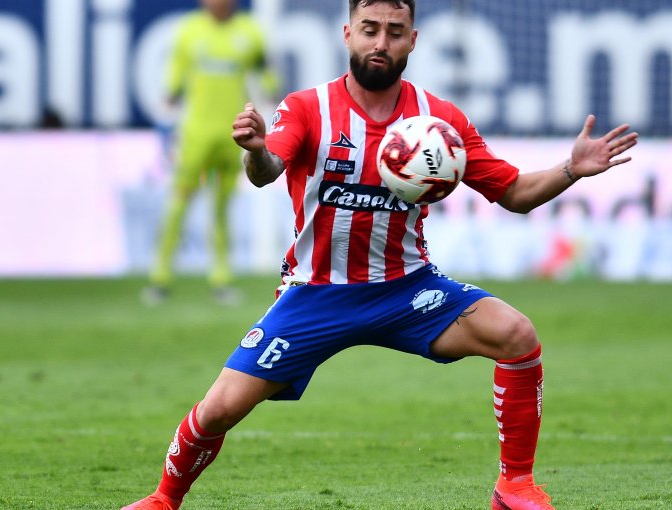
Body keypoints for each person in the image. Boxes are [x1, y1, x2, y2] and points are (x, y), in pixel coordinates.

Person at [122, 1, 637, 509]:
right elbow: (268, 169)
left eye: (395, 31)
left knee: (516, 334)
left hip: (407, 288)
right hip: (316, 294)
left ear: (413, 40)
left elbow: (514, 193)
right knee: (218, 410)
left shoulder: (440, 121)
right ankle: (163, 500)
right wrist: (256, 149)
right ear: (348, 34)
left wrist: (570, 169)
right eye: (370, 29)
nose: (381, 42)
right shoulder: (307, 108)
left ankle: (515, 487)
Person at [142, 0, 279, 306]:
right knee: (178, 203)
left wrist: (276, 94)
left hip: (234, 137)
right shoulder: (190, 31)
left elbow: (265, 72)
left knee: (221, 209)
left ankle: (221, 279)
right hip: (196, 136)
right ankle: (160, 277)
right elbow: (175, 79)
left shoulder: (249, 32)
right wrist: (169, 101)